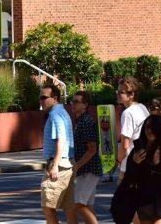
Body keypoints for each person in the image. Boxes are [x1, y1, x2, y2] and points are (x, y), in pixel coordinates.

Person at [40, 83, 76, 223]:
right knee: (69, 208)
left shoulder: (55, 114)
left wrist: (54, 165)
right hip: (67, 165)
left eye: (44, 97)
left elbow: (61, 139)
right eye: (40, 98)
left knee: (48, 207)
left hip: (59, 166)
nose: (41, 101)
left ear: (55, 98)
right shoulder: (62, 112)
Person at [69, 90, 102, 224]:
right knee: (87, 206)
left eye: (77, 102)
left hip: (89, 170)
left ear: (85, 105)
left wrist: (77, 166)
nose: (73, 104)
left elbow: (92, 149)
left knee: (78, 204)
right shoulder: (80, 121)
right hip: (86, 170)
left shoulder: (86, 122)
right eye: (72, 101)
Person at [115, 77, 149, 180]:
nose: (117, 94)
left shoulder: (128, 113)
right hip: (144, 162)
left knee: (124, 195)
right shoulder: (142, 107)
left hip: (129, 165)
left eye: (121, 92)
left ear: (131, 95)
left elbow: (124, 146)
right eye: (117, 91)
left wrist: (119, 161)